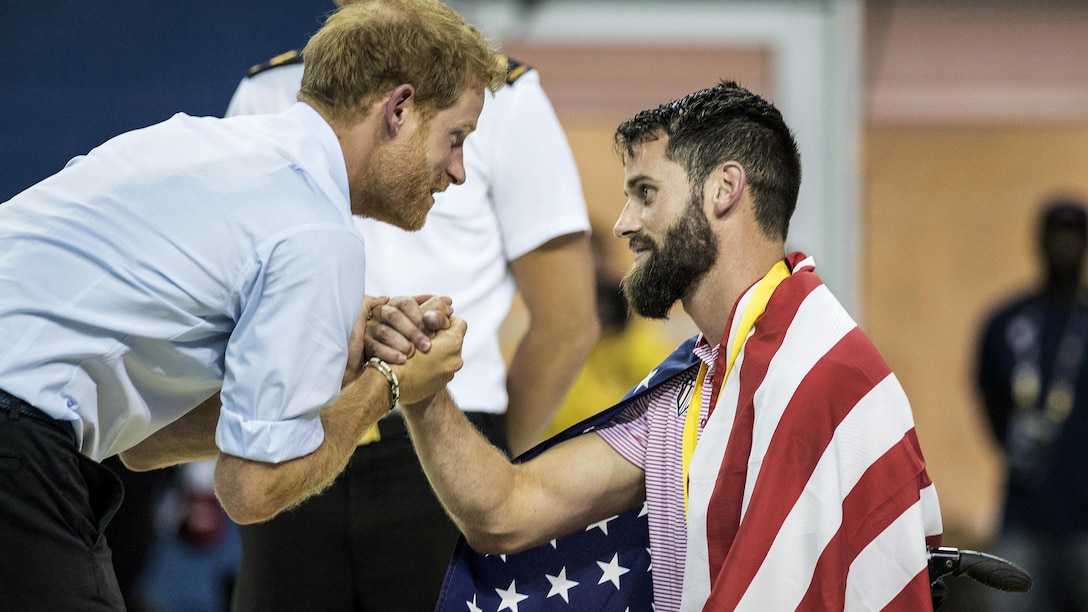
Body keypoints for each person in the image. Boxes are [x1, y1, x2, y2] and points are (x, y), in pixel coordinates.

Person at [0, 1, 506, 609]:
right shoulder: (315, 233)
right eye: (456, 139)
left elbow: (141, 443)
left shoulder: (194, 140)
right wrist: (392, 384)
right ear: (398, 110)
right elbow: (250, 489)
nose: (458, 172)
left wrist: (330, 361)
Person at [375, 80, 945, 611]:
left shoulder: (832, 377)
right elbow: (505, 511)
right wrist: (425, 390)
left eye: (645, 192)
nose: (625, 223)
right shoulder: (691, 386)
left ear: (724, 189)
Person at [975, 196, 1088, 611]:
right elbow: (988, 397)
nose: (1065, 248)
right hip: (1024, 516)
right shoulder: (1007, 323)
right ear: (1039, 243)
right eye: (1056, 238)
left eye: (1074, 238)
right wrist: (1013, 447)